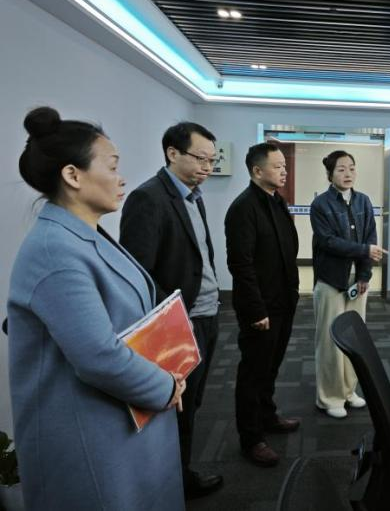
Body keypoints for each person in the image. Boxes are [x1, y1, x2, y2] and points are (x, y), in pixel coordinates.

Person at [7, 106, 186, 510]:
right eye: (112, 166)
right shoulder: (55, 250)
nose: (121, 178)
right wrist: (165, 386)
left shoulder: (85, 234)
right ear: (73, 175)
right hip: (89, 432)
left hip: (122, 416)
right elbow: (98, 356)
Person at [119, 122, 223, 499]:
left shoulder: (194, 196)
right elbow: (138, 274)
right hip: (179, 323)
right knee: (175, 406)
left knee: (192, 403)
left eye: (212, 160)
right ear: (172, 153)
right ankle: (173, 483)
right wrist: (174, 319)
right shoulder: (148, 198)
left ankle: (179, 473)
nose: (207, 167)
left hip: (206, 314)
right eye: (200, 158)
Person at [225, 142, 301, 467]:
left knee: (271, 367)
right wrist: (256, 310)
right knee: (253, 373)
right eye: (277, 166)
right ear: (257, 171)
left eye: (285, 166)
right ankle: (251, 438)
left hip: (282, 301)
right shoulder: (243, 208)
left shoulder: (277, 201)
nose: (284, 171)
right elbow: (240, 264)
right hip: (260, 308)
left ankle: (268, 417)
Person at [310, 151, 385, 418]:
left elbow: (371, 237)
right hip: (331, 280)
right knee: (330, 340)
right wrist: (365, 250)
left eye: (352, 168)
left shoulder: (363, 200)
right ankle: (329, 397)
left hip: (357, 282)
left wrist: (365, 276)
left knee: (354, 337)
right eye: (341, 169)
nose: (348, 174)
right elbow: (328, 241)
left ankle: (349, 390)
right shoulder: (320, 204)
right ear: (330, 174)